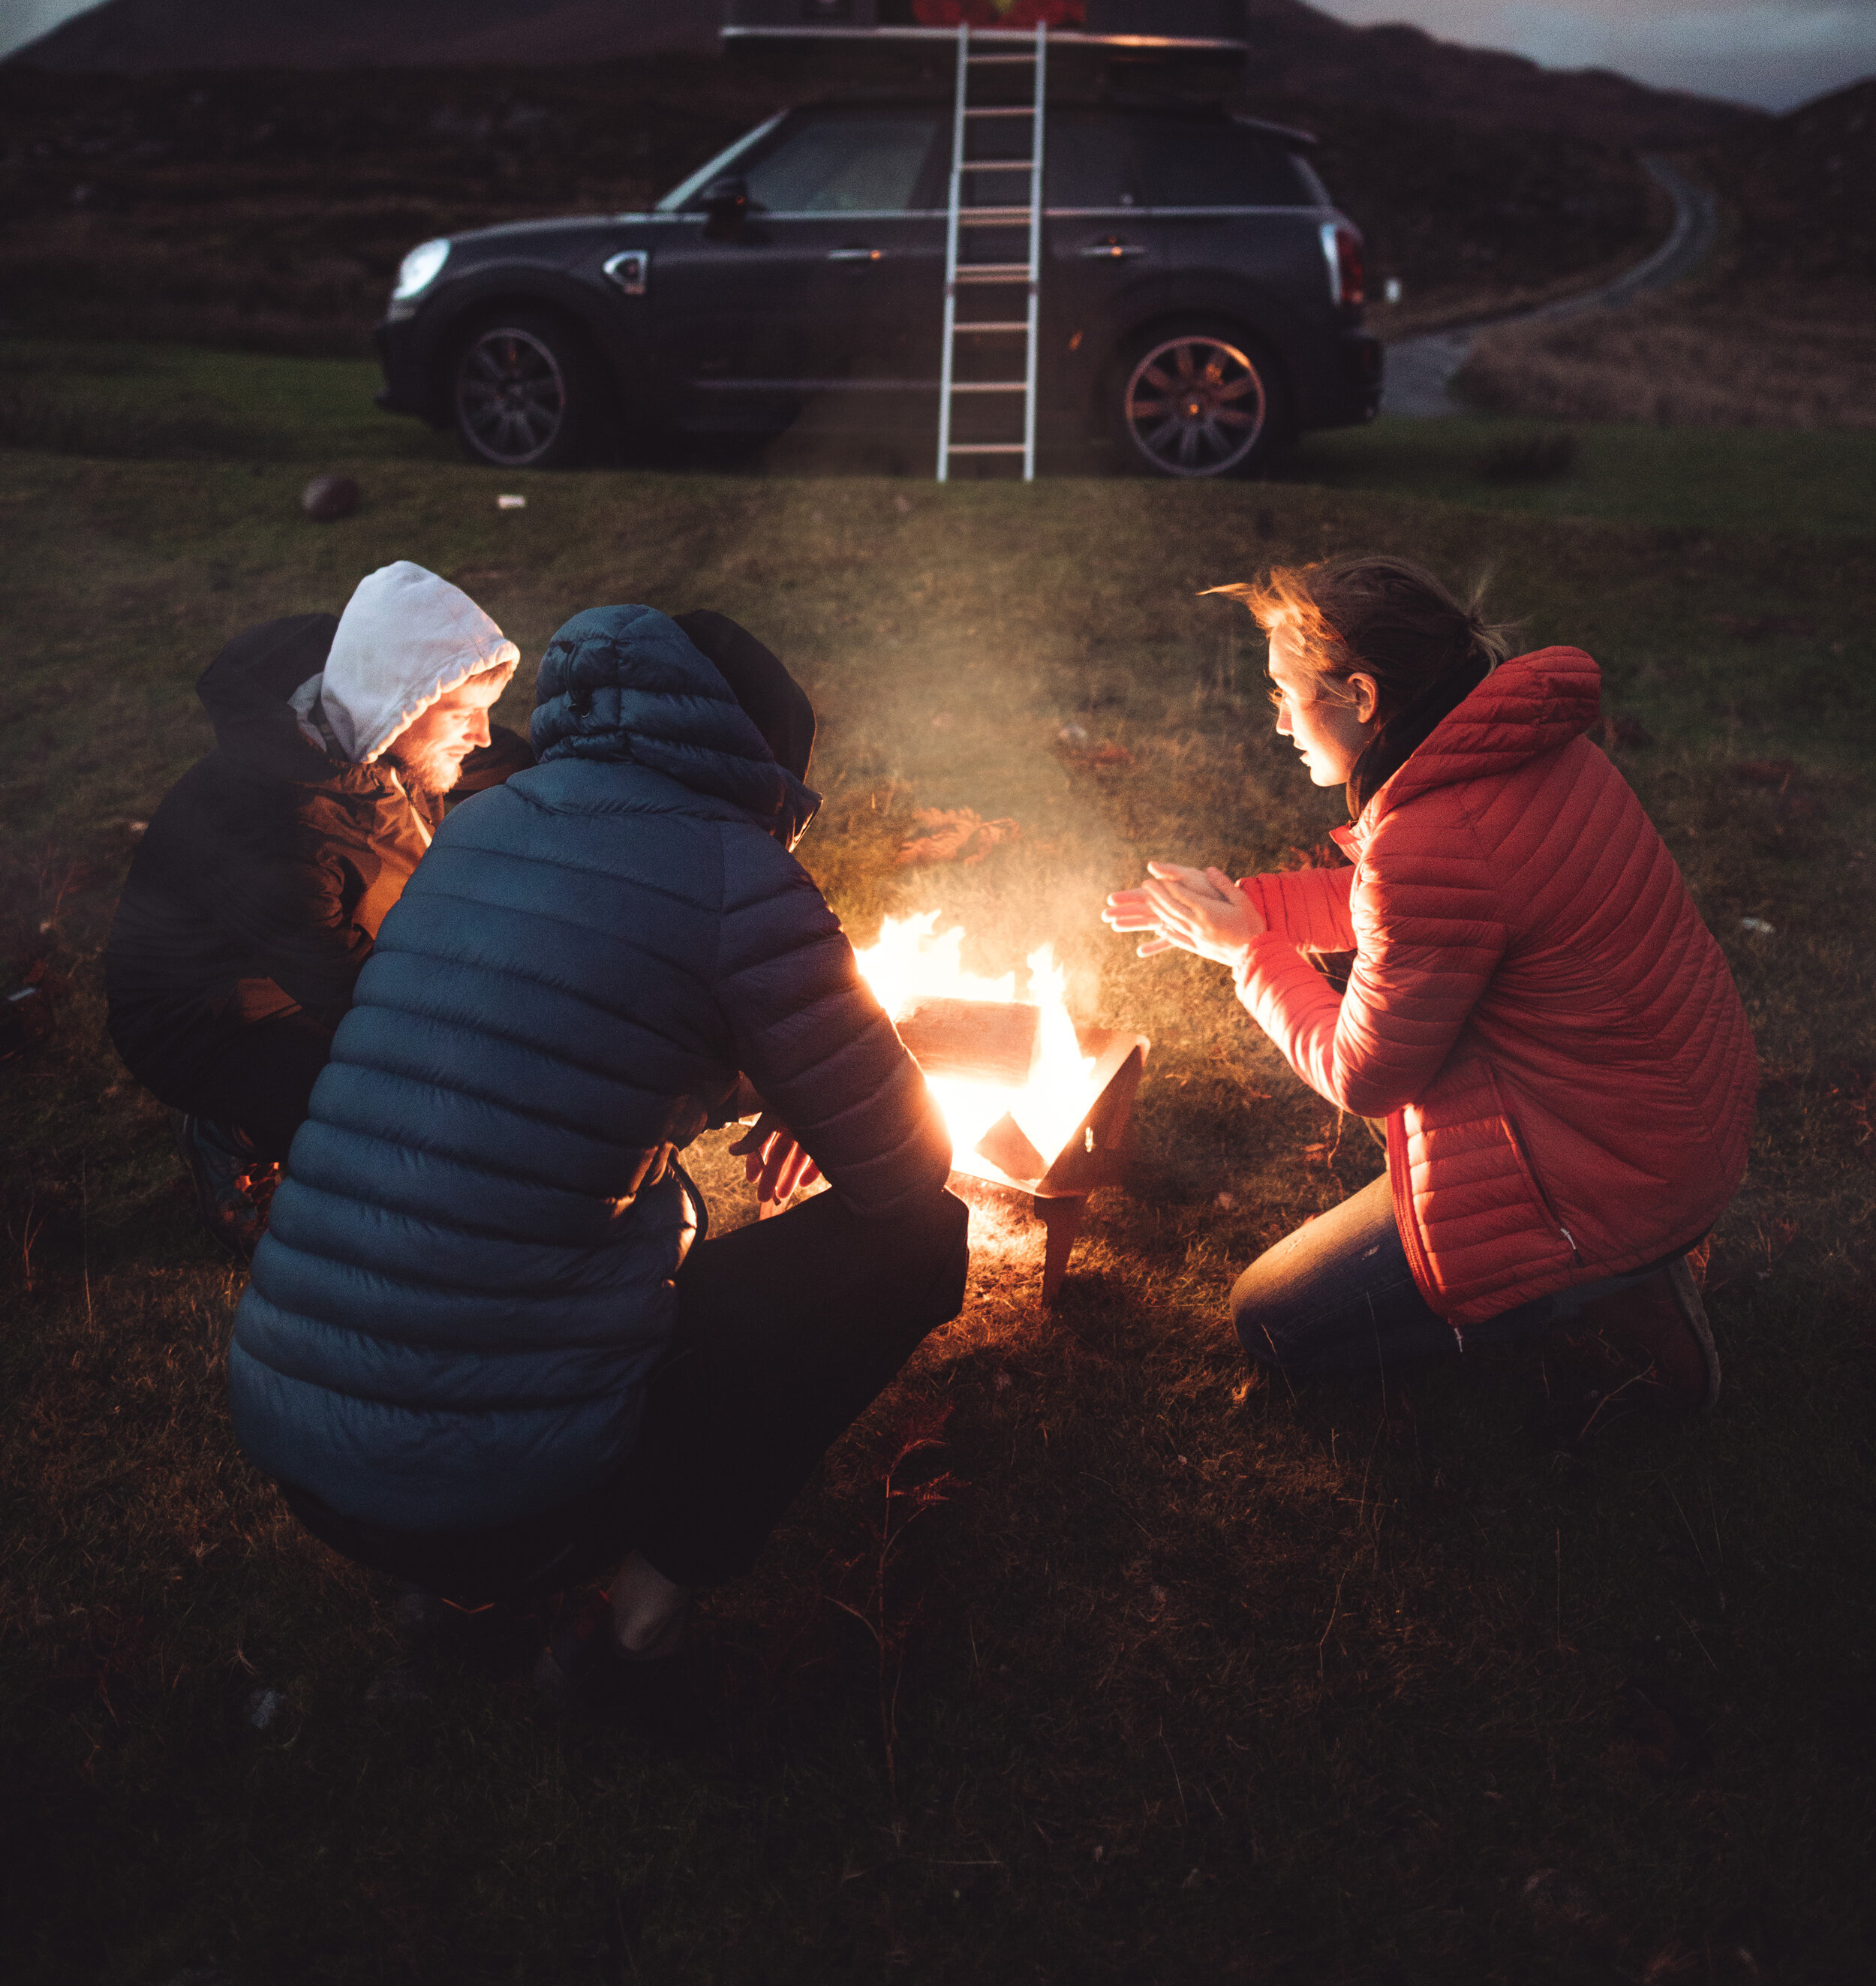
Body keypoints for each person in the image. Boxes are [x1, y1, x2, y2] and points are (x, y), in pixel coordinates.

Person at [225, 603, 967, 1714]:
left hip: (302, 1446)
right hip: (506, 1498)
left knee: (617, 1211)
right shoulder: (734, 868)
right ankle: (634, 1633)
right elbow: (907, 1164)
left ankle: (454, 1603)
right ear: (760, 764)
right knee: (919, 1241)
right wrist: (806, 1086)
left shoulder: (473, 825)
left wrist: (751, 1077)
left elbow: (549, 1041)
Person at [1104, 555, 1757, 1412]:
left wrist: (1246, 953)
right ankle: (1623, 1255)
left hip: (1608, 1176)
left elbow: (1363, 1075)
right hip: (1673, 1123)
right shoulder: (1526, 756)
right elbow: (1430, 908)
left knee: (1268, 1318)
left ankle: (1608, 1276)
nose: (1277, 722)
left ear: (1362, 697)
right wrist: (1249, 908)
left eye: (1284, 693)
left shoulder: (1429, 841)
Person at [106, 561, 522, 1253]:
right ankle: (230, 1131)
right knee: (396, 1111)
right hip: (211, 1016)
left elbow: (527, 766)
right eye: (463, 714)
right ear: (403, 704)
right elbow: (373, 1004)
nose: (481, 735)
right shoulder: (281, 828)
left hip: (312, 973)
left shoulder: (379, 731)